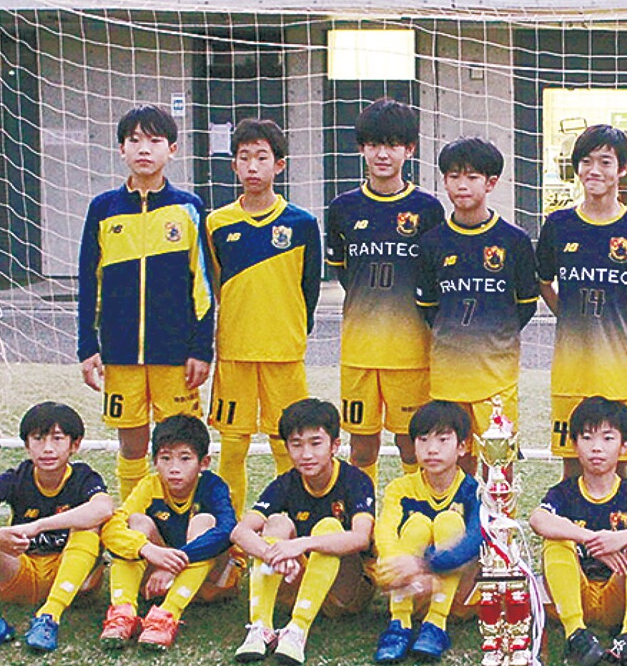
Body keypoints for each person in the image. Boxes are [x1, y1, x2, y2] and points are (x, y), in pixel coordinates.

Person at [77, 104, 214, 501]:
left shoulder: (188, 207)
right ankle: (132, 517)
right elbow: (89, 282)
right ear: (121, 149)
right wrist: (88, 346)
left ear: (172, 149)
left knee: (181, 445)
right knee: (132, 443)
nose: (143, 149)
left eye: (154, 140)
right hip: (120, 353)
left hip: (175, 354)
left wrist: (200, 348)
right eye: (134, 140)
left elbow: (203, 286)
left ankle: (184, 517)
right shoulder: (103, 209)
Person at [327, 98, 445, 485]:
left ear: (409, 150)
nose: (382, 154)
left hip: (411, 352)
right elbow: (345, 271)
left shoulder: (427, 208)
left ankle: (416, 509)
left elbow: (434, 276)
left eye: (393, 145)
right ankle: (365, 514)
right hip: (360, 350)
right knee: (362, 447)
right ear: (361, 148)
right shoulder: (343, 208)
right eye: (374, 144)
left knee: (413, 445)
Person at [536, 124, 627, 478]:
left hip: (618, 371)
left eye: (605, 162)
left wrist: (622, 313)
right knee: (571, 468)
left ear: (622, 169)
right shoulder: (558, 224)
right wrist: (568, 313)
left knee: (616, 470)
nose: (594, 170)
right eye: (586, 161)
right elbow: (543, 282)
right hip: (571, 370)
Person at [206, 118, 321, 514]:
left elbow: (309, 288)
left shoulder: (302, 224)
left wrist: (290, 330)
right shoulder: (217, 223)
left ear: (279, 165)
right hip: (235, 352)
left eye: (261, 157)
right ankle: (228, 527)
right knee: (232, 446)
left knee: (288, 444)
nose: (252, 167)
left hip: (283, 353)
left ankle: (289, 521)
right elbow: (214, 285)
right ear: (233, 165)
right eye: (244, 158)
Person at [415, 137, 537, 474]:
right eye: (454, 176)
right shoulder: (433, 242)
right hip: (448, 377)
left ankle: (498, 513)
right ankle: (461, 513)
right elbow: (428, 307)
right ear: (444, 181)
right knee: (454, 464)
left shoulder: (514, 240)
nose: (462, 185)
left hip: (496, 378)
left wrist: (494, 336)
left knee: (498, 467)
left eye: (472, 177)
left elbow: (525, 305)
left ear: (491, 183)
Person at [529, 397, 627, 666]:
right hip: (576, 593)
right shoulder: (565, 492)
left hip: (618, 594)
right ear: (574, 444)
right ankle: (576, 635)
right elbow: (538, 519)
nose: (596, 447)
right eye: (587, 438)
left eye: (608, 438)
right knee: (556, 541)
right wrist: (591, 539)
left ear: (625, 446)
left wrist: (621, 539)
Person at [231, 398, 376, 666]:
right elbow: (240, 532)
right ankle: (260, 627)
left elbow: (360, 538)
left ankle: (298, 629)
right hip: (298, 581)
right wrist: (273, 552)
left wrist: (301, 545)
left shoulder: (355, 480)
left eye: (315, 443)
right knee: (276, 523)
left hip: (346, 593)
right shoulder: (286, 482)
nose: (306, 454)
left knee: (329, 527)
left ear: (335, 445)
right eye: (296, 444)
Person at [0, 403, 113, 654]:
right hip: (21, 572)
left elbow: (104, 508)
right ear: (26, 445)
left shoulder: (83, 477)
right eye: (38, 438)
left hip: (74, 581)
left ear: (75, 445)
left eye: (57, 439)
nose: (47, 448)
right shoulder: (16, 477)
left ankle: (50, 616)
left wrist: (37, 526)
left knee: (88, 526)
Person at [99, 414, 237, 651]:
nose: (174, 468)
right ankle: (123, 613)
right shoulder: (149, 485)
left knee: (204, 521)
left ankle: (168, 615)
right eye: (165, 458)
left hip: (211, 581)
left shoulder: (213, 486)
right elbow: (112, 527)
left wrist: (172, 564)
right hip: (158, 582)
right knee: (136, 522)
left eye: (185, 458)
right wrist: (147, 549)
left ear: (203, 462)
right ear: (154, 461)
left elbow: (227, 531)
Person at [373, 400, 483, 664]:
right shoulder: (400, 488)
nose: (432, 449)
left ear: (462, 447)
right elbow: (385, 531)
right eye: (423, 440)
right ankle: (399, 623)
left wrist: (426, 565)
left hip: (455, 591)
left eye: (443, 440)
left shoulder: (473, 490)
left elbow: (473, 540)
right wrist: (399, 566)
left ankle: (436, 623)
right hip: (407, 584)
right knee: (417, 525)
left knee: (448, 520)